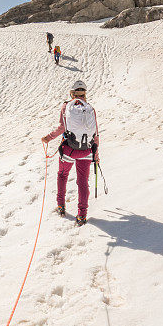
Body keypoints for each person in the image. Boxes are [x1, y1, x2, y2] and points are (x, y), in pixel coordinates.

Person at [41, 80, 99, 226]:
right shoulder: (90, 109)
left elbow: (62, 127)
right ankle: (82, 215)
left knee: (62, 175)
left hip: (69, 150)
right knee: (83, 183)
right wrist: (96, 155)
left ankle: (61, 205)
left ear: (72, 93)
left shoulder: (66, 106)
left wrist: (48, 138)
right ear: (85, 93)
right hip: (86, 151)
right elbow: (96, 134)